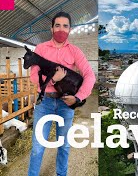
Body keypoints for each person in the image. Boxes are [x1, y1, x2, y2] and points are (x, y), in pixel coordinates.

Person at [28, 11, 96, 176]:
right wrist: (53, 80)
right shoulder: (41, 49)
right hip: (45, 103)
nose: (61, 29)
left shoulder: (75, 51)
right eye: (57, 25)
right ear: (51, 28)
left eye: (65, 26)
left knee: (64, 145)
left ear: (70, 29)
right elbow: (33, 76)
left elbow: (90, 75)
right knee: (38, 146)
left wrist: (78, 97)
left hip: (66, 105)